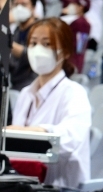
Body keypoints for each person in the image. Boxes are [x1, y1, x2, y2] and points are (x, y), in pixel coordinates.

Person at [9, 18, 91, 189]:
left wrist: (32, 132)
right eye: (33, 43)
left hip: (61, 185)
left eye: (47, 44)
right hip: (24, 183)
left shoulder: (74, 92)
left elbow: (71, 138)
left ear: (66, 52)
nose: (38, 50)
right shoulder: (26, 94)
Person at [9, 0, 38, 90]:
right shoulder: (17, 30)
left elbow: (31, 54)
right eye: (16, 4)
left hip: (30, 84)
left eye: (24, 4)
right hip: (15, 83)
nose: (19, 8)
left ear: (33, 8)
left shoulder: (39, 29)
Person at [64, 0, 91, 73]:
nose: (70, 6)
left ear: (81, 7)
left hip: (72, 61)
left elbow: (80, 46)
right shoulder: (78, 21)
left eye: (74, 4)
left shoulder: (82, 23)